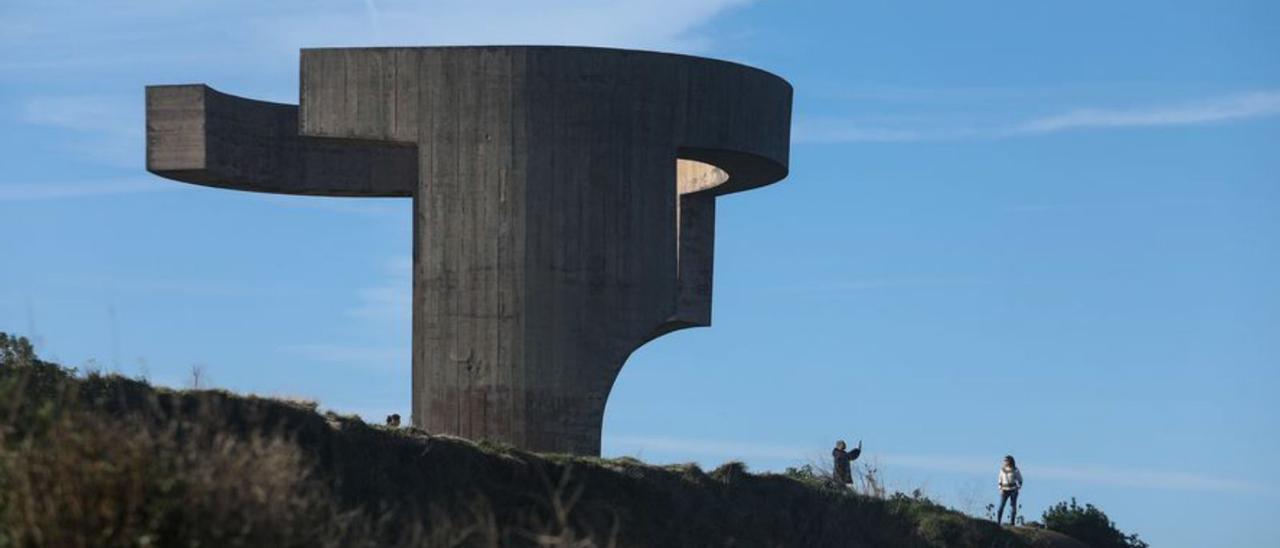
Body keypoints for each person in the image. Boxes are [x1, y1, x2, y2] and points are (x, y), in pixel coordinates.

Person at [997, 455, 1023, 525]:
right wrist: (1000, 489)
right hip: (1004, 490)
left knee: (1013, 506)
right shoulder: (1002, 470)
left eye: (1006, 460)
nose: (1004, 462)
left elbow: (1020, 479)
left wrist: (1018, 487)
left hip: (1013, 490)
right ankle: (998, 522)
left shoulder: (1015, 470)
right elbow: (1000, 480)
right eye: (1004, 461)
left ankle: (1012, 523)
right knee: (1001, 506)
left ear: (1010, 461)